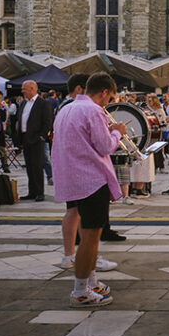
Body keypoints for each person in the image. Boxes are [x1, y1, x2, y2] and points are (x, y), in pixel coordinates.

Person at [52, 72, 126, 307]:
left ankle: (91, 282)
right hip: (92, 180)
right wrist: (117, 132)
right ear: (103, 92)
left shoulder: (66, 109)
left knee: (87, 236)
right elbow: (105, 146)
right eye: (110, 97)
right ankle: (80, 290)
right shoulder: (93, 110)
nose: (108, 102)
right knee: (91, 238)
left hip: (72, 177)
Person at [14, 80, 54, 201]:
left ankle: (39, 192)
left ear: (32, 89)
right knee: (29, 166)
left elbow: (48, 121)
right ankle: (31, 191)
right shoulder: (23, 104)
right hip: (25, 137)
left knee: (37, 166)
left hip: (37, 139)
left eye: (24, 89)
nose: (22, 91)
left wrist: (42, 136)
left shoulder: (43, 103)